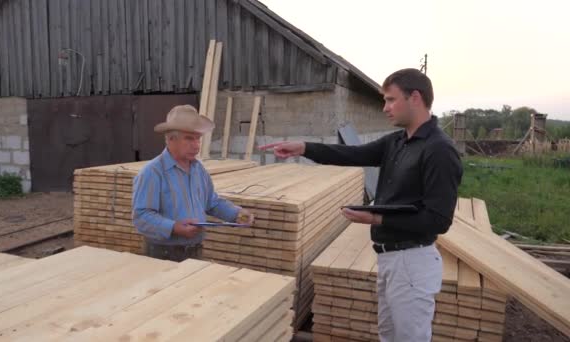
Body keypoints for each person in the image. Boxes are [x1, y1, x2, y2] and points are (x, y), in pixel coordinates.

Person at [260, 68, 462, 341]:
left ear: (415, 97)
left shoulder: (439, 150)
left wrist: (377, 219)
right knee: (389, 335)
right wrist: (304, 148)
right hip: (390, 259)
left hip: (412, 262)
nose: (385, 108)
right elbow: (352, 153)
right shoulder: (398, 141)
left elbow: (439, 220)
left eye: (391, 100)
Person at [132, 105, 254, 262]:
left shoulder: (198, 169)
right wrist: (174, 227)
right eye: (189, 138)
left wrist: (236, 214)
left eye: (198, 138)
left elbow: (211, 202)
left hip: (195, 249)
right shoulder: (153, 172)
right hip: (162, 254)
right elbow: (141, 216)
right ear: (170, 139)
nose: (196, 145)